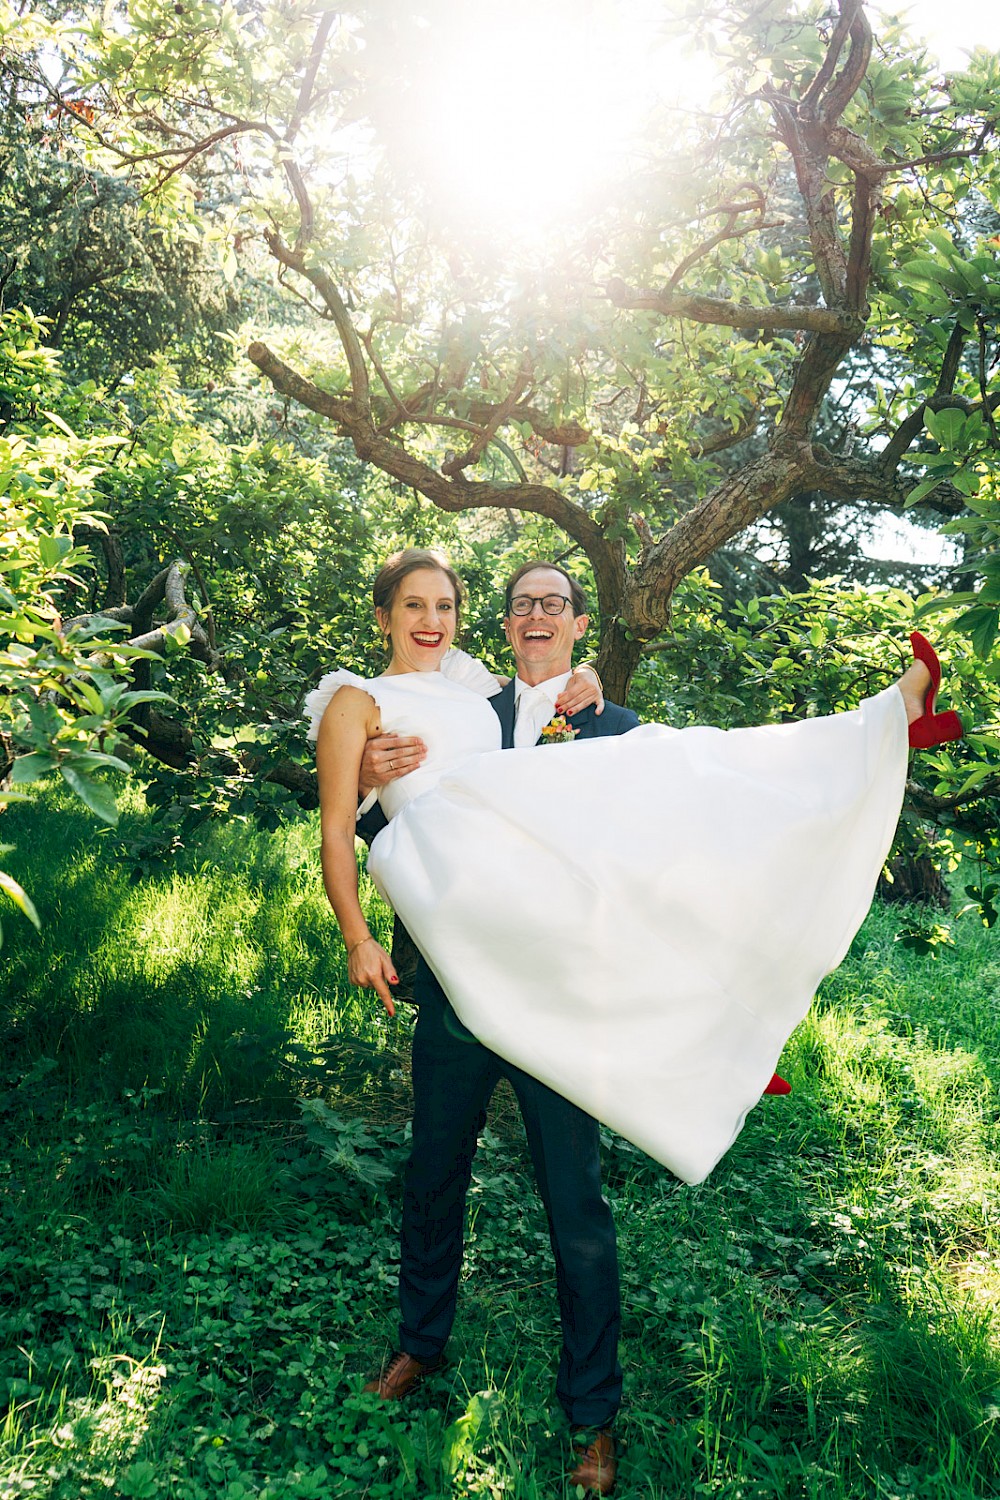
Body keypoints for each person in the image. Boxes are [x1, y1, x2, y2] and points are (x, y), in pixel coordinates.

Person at [308, 548, 960, 1495]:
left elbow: (693, 809)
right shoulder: (469, 705)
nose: (535, 617)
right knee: (431, 1176)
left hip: (558, 1002)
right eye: (518, 604)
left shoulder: (608, 723)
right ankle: (419, 1347)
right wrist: (366, 775)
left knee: (575, 1205)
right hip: (452, 987)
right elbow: (386, 804)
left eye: (555, 605)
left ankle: (592, 1419)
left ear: (579, 624)